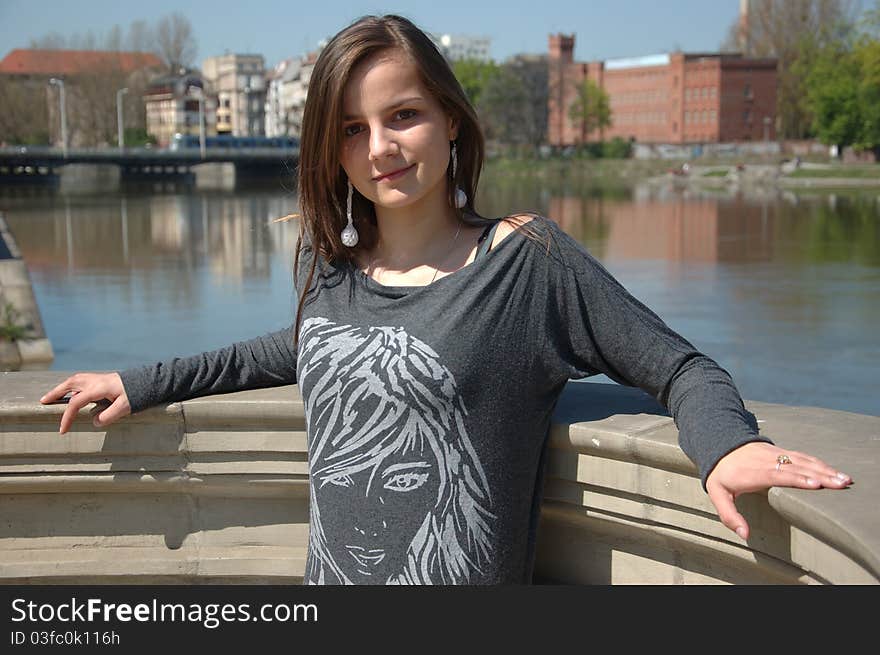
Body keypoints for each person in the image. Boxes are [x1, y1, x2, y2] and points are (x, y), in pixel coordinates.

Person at [40, 14, 853, 585]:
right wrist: (141, 381)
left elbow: (677, 365)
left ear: (451, 123)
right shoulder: (335, 270)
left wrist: (725, 445)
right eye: (351, 130)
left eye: (403, 116)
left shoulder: (524, 263)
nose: (380, 148)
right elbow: (289, 349)